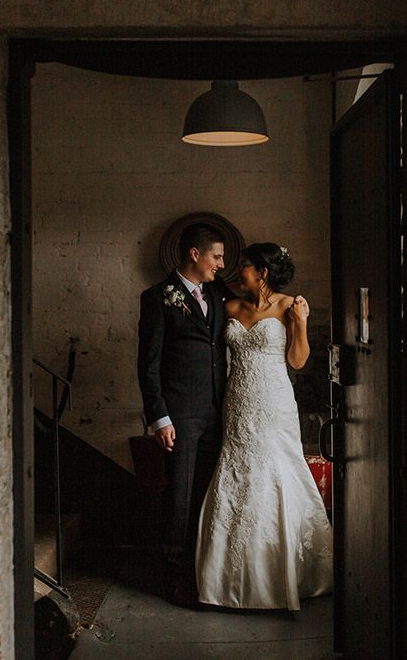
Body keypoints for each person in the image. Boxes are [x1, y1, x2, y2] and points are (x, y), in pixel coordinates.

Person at [195, 242, 333, 611]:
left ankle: (286, 572)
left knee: (277, 470)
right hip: (238, 403)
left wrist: (301, 323)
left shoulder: (290, 306)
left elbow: (298, 361)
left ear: (263, 272)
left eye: (245, 265)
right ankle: (227, 578)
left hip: (273, 401)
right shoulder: (230, 307)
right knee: (237, 471)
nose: (237, 271)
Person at [137, 223, 234, 606]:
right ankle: (176, 580)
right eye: (217, 256)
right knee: (179, 498)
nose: (221, 264)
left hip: (218, 412)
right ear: (195, 254)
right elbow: (148, 363)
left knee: (207, 497)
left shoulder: (218, 292)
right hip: (180, 417)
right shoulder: (157, 297)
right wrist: (160, 417)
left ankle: (203, 575)